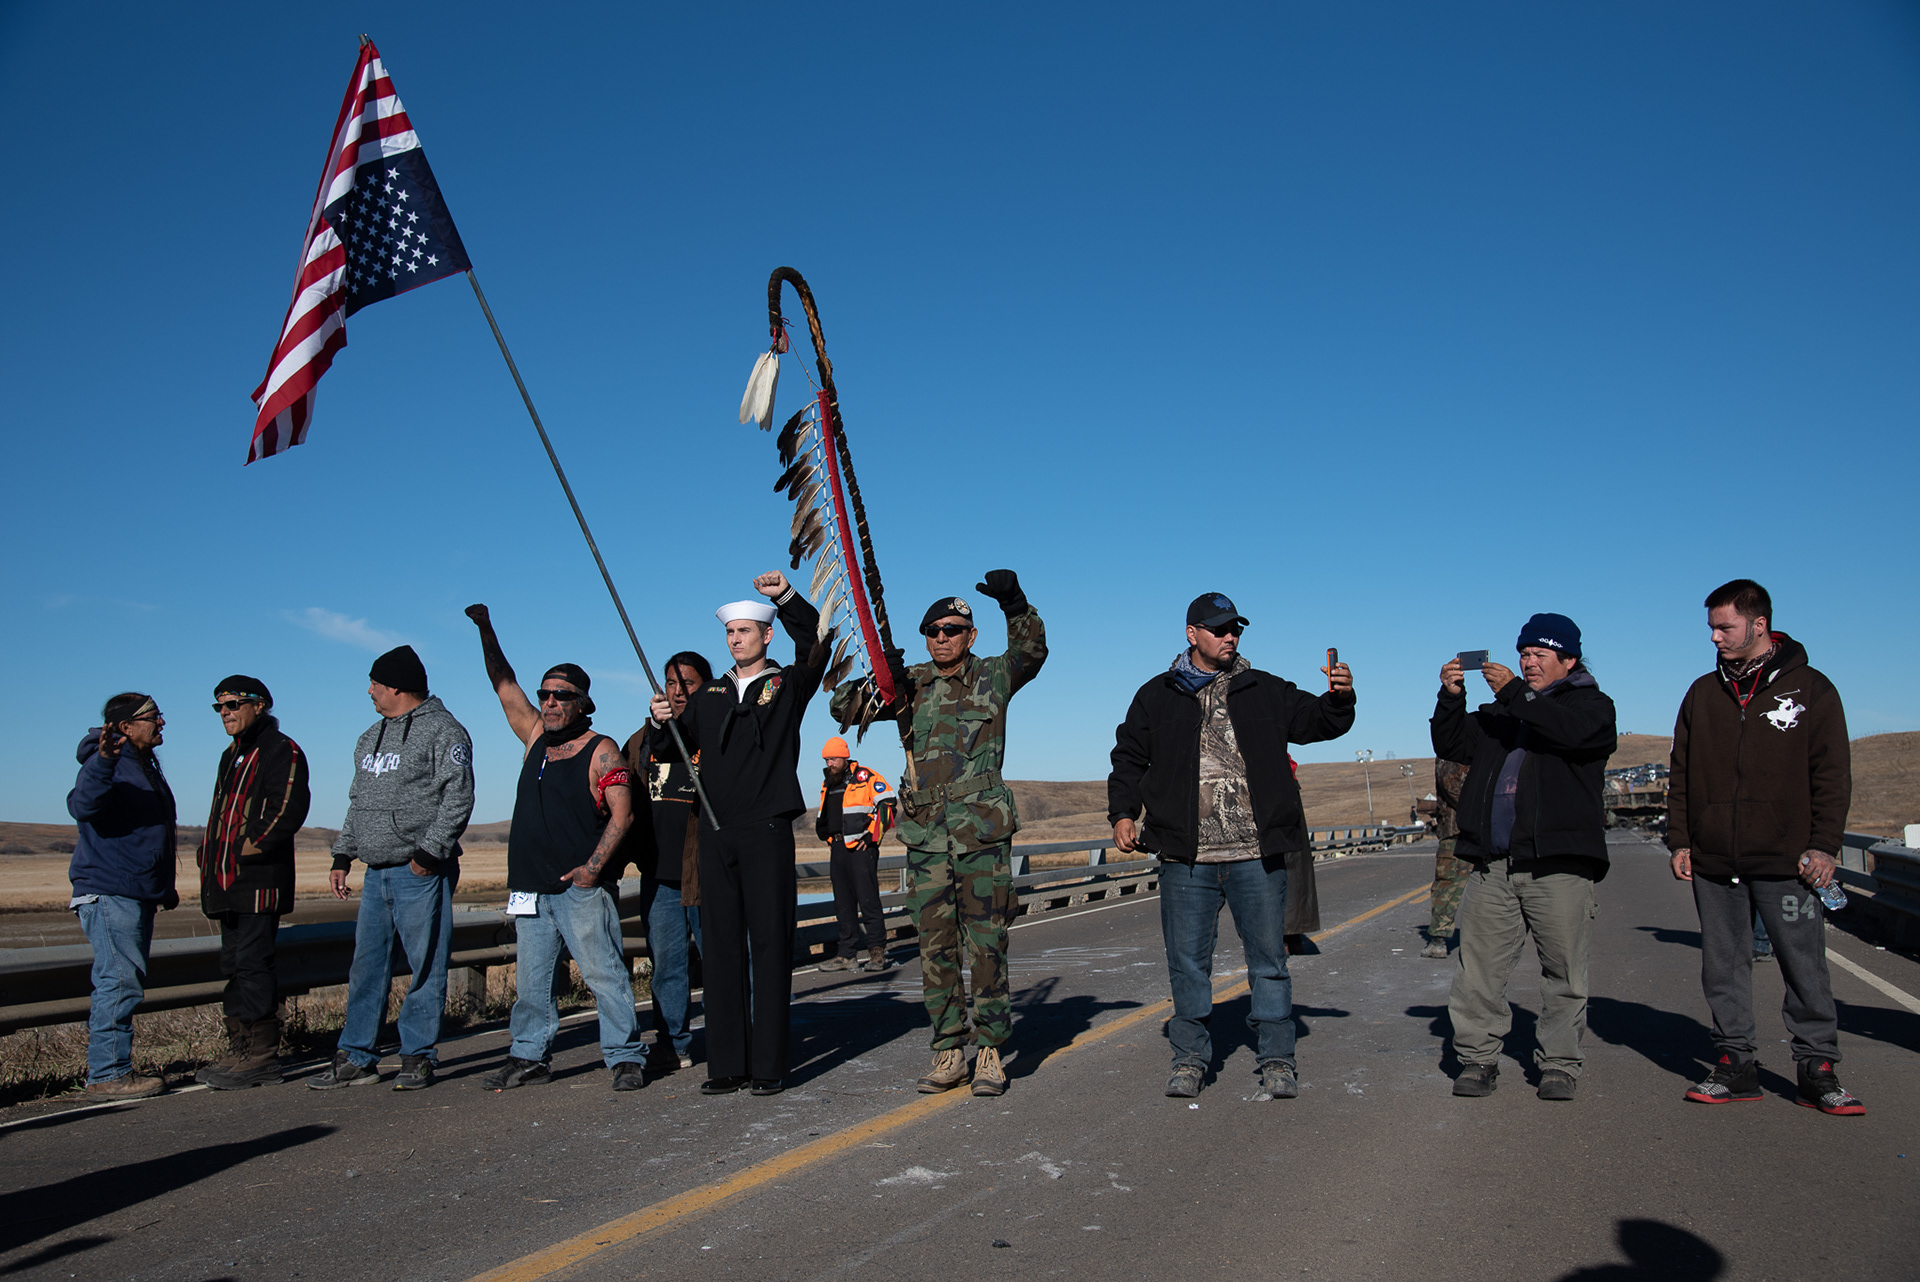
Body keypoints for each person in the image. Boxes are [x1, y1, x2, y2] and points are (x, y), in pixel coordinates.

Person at [1108, 592, 1355, 1101]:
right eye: (1219, 628)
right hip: (1186, 860)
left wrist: (1339, 697)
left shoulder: (1263, 689)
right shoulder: (1157, 695)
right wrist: (1123, 812)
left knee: (1268, 963)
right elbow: (1128, 757)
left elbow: (1321, 723)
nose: (1230, 636)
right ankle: (1191, 1058)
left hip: (1255, 858)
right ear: (1191, 633)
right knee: (1188, 965)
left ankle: (1277, 1058)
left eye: (1235, 629)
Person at [829, 570, 1047, 1098]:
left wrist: (1014, 602)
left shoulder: (994, 675)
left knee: (987, 943)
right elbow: (842, 708)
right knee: (935, 947)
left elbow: (1033, 650)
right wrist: (883, 677)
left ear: (971, 636)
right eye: (933, 631)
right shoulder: (912, 685)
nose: (942, 637)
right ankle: (949, 1047)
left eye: (952, 629)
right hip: (926, 838)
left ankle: (991, 1048)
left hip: (980, 835)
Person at [1667, 580, 1862, 1115]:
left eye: (1724, 626)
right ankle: (1736, 1065)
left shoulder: (1812, 689)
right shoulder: (1702, 693)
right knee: (1722, 965)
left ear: (1758, 625)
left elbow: (1832, 775)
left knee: (1804, 966)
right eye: (1710, 627)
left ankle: (1817, 1068)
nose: (1714, 637)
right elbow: (1680, 773)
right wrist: (1680, 838)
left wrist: (1825, 845)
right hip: (1715, 861)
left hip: (1787, 861)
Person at [648, 572, 823, 1095]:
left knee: (769, 946)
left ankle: (768, 1065)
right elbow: (668, 754)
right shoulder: (711, 696)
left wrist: (786, 598)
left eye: (745, 631)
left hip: (766, 830)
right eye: (731, 633)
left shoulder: (787, 686)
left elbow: (814, 641)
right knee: (721, 948)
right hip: (715, 833)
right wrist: (661, 723)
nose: (736, 639)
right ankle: (726, 1064)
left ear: (766, 635)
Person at [1432, 614, 1616, 1102]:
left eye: (1540, 654)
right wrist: (1451, 699)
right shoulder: (1504, 710)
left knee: (1563, 974)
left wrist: (1517, 695)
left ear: (1569, 659)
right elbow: (1452, 744)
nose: (1528, 662)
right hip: (1495, 865)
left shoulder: (1592, 706)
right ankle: (1477, 1060)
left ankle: (1558, 1064)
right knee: (1478, 973)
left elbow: (1572, 734)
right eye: (1523, 653)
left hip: (1559, 865)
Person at [465, 606, 647, 1092]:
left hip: (579, 888)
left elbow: (623, 814)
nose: (548, 702)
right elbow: (503, 684)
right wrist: (486, 629)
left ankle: (625, 1055)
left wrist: (591, 869)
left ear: (583, 702)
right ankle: (529, 1056)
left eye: (560, 695)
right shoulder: (534, 739)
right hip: (530, 886)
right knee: (532, 983)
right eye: (544, 693)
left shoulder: (601, 748)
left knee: (603, 972)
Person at [309, 646, 475, 1092]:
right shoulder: (369, 738)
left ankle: (417, 1056)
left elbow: (457, 797)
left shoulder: (445, 731)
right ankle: (356, 1056)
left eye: (376, 684)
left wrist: (428, 854)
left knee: (425, 966)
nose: (370, 691)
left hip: (418, 871)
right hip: (375, 872)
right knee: (367, 967)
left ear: (397, 686)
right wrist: (343, 855)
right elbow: (357, 803)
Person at [194, 676, 312, 1090]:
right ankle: (239, 1045)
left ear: (258, 705)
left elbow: (289, 808)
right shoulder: (231, 756)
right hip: (225, 881)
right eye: (219, 708)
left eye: (233, 705)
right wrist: (210, 855)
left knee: (253, 963)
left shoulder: (281, 750)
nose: (225, 713)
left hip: (259, 880)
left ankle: (262, 1054)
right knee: (233, 966)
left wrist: (249, 846)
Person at [66, 692, 179, 1099]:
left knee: (122, 981)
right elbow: (83, 805)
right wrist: (105, 760)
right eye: (153, 717)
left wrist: (161, 888)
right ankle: (108, 1075)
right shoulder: (108, 763)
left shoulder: (141, 764)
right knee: (117, 982)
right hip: (110, 891)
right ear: (126, 726)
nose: (161, 722)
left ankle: (110, 1070)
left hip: (132, 891)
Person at [623, 650, 710, 1074]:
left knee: (722, 961)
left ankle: (736, 1033)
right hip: (659, 877)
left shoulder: (718, 732)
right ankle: (671, 1043)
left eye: (688, 684)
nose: (677, 692)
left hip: (708, 875)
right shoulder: (642, 741)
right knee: (667, 968)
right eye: (670, 684)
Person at [815, 736, 897, 973]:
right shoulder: (828, 782)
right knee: (843, 904)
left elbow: (889, 805)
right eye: (826, 759)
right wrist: (830, 839)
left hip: (861, 849)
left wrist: (871, 837)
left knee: (868, 900)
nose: (829, 762)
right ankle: (846, 955)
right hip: (838, 849)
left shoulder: (866, 777)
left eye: (832, 758)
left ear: (844, 757)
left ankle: (877, 953)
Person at [1421, 758, 1472, 959]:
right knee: (1448, 885)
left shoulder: (1452, 750)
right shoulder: (1464, 750)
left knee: (1447, 885)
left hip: (1457, 830)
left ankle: (1438, 939)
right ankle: (1439, 940)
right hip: (1460, 830)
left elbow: (1450, 786)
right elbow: (1451, 785)